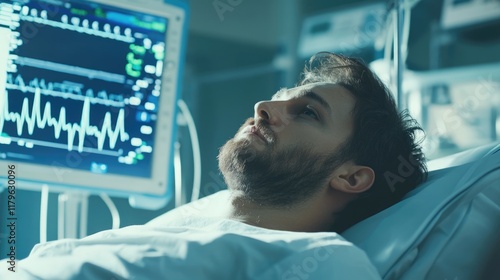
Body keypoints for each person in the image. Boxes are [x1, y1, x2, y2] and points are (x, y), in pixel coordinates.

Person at [0, 53, 427, 280]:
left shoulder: (322, 264)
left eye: (307, 113)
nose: (263, 107)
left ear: (351, 177)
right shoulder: (179, 230)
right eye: (280, 95)